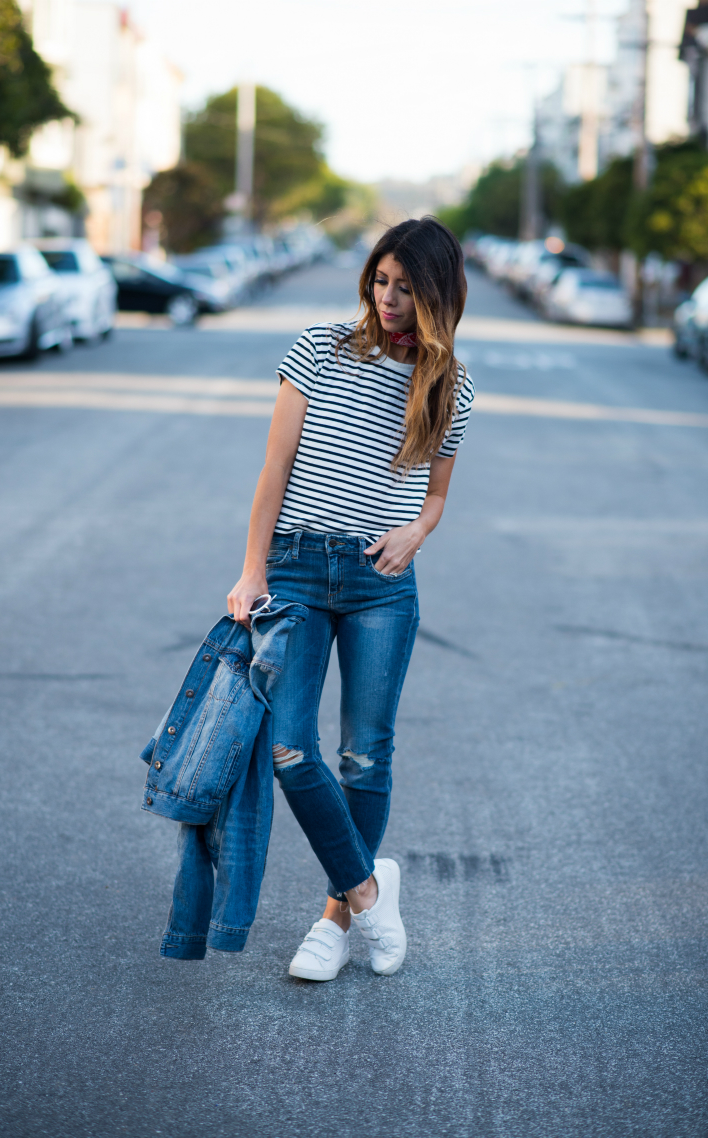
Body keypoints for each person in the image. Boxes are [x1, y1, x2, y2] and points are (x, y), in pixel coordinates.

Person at [227, 217, 475, 981]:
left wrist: (418, 534)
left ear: (436, 294)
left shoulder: (450, 386)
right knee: (290, 750)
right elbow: (274, 469)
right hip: (298, 569)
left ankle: (333, 923)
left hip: (380, 584)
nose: (389, 297)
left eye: (406, 286)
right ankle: (370, 889)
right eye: (380, 280)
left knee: (364, 757)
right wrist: (251, 570)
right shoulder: (319, 349)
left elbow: (434, 497)